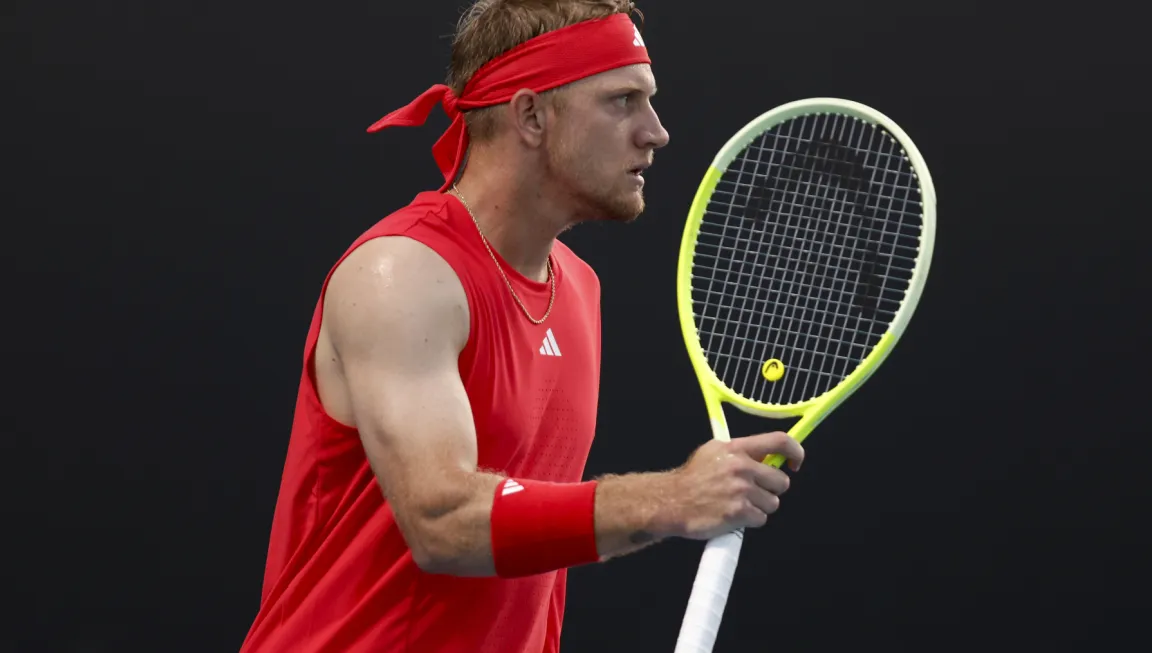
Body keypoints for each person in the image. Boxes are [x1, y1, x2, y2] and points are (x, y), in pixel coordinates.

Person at [239, 1, 805, 651]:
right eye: (622, 101)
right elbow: (443, 519)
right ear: (531, 116)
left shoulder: (579, 288)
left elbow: (523, 567)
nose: (655, 131)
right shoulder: (401, 275)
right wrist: (667, 499)